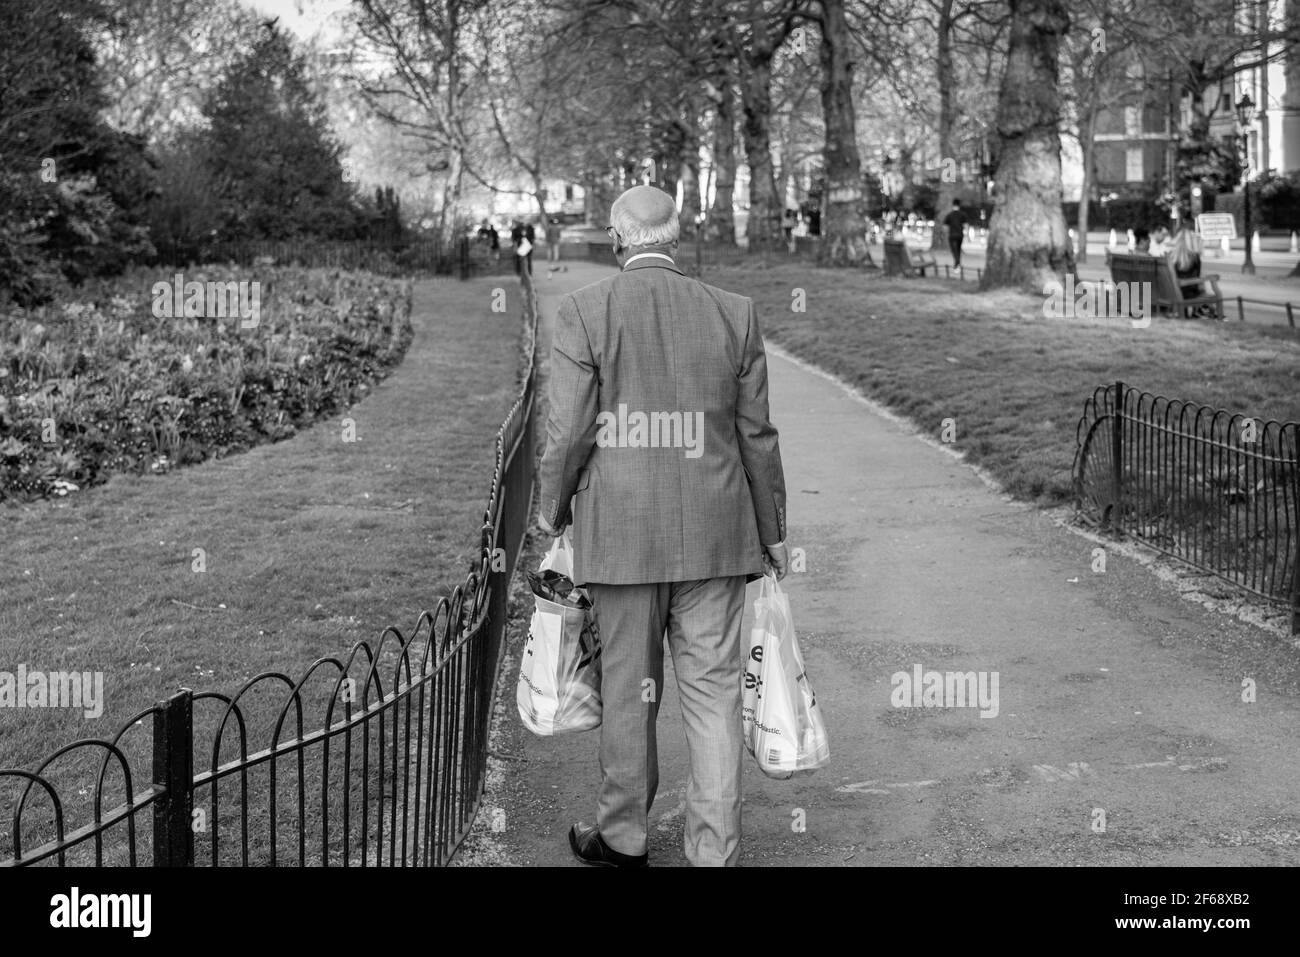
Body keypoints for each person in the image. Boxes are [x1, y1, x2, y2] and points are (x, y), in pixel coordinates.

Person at [536, 184, 788, 868]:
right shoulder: (734, 313)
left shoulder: (584, 312)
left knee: (628, 690)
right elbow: (756, 434)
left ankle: (622, 838)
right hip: (716, 536)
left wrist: (550, 514)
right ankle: (714, 851)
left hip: (620, 539)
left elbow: (566, 433)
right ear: (674, 241)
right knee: (712, 696)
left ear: (618, 242)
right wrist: (773, 533)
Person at [943, 199, 968, 268]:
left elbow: (945, 226)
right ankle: (958, 263)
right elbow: (965, 225)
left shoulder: (949, 215)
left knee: (954, 250)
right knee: (958, 249)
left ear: (953, 205)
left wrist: (947, 232)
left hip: (952, 235)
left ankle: (957, 261)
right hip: (960, 235)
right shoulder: (963, 214)